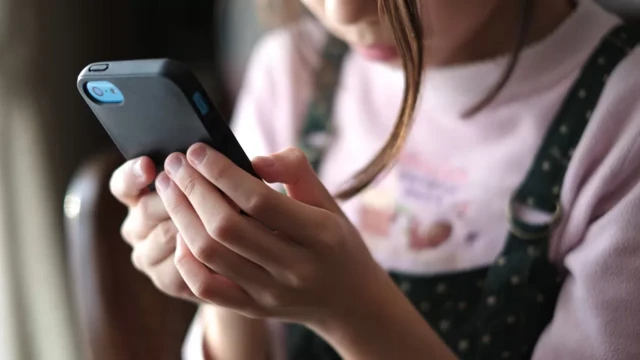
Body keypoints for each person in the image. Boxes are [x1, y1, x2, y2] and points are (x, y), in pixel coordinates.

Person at [108, 0, 640, 359]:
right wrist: (224, 278)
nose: (343, 9)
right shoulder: (295, 71)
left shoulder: (621, 118)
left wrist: (349, 310)